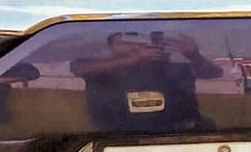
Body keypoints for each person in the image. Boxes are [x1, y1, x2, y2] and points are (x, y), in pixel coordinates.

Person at [70, 32, 222, 132]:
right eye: (127, 41)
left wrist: (194, 55)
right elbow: (80, 69)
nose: (137, 46)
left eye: (143, 42)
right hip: (113, 133)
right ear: (110, 46)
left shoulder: (175, 67)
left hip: (178, 134)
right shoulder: (101, 68)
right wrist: (133, 60)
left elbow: (214, 73)